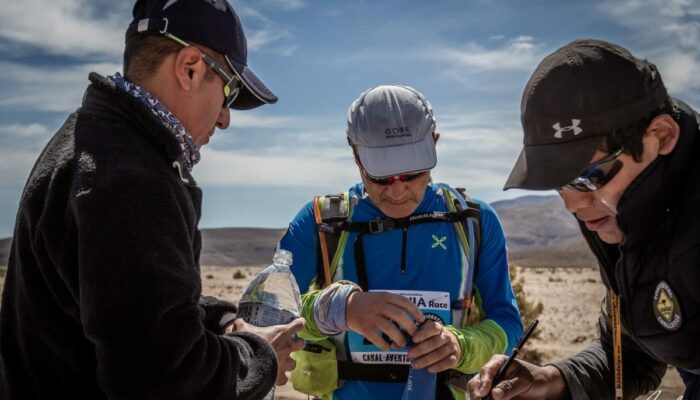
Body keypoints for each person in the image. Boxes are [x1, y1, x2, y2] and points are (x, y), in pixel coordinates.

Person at [0, 0, 305, 398]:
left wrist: (223, 321)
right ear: (190, 67)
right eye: (228, 90)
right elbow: (161, 376)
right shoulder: (131, 180)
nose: (225, 118)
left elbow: (128, 304)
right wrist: (258, 356)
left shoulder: (91, 139)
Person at [468, 39, 700, 400]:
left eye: (588, 176)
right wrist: (549, 380)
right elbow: (633, 354)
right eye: (558, 183)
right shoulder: (627, 216)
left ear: (661, 136)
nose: (573, 204)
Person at [279, 85, 522, 399]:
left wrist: (461, 346)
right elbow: (268, 316)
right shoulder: (320, 222)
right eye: (381, 177)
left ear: (434, 144)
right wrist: (339, 309)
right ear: (356, 157)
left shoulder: (473, 221)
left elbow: (508, 322)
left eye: (412, 174)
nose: (397, 192)